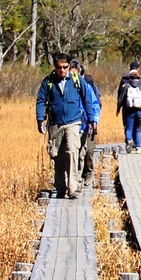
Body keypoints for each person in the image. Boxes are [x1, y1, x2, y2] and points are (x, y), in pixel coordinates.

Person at [36, 52, 97, 199]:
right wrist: (40, 119)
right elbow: (40, 100)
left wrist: (91, 119)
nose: (62, 70)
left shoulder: (76, 80)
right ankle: (61, 188)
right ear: (55, 67)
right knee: (57, 155)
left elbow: (86, 99)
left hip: (73, 121)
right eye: (59, 67)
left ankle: (72, 188)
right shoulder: (48, 81)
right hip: (56, 123)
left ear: (69, 66)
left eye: (65, 67)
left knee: (72, 151)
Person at [69, 59, 102, 188]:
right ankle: (73, 180)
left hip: (86, 124)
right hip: (71, 124)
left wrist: (93, 120)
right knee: (73, 152)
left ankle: (86, 174)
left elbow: (95, 105)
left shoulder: (88, 87)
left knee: (87, 151)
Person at [116, 61, 141, 153]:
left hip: (127, 109)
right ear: (138, 69)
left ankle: (129, 142)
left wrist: (118, 108)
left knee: (128, 127)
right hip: (139, 109)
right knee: (138, 128)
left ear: (129, 68)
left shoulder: (124, 80)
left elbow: (120, 95)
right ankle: (138, 147)